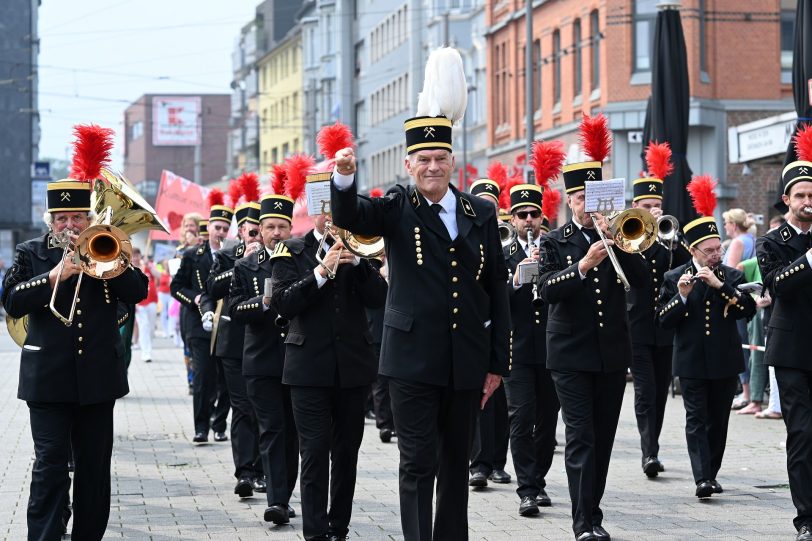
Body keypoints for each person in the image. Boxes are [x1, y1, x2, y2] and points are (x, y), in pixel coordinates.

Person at [330, 47, 510, 541]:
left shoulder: (479, 212)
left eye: (441, 158)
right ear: (409, 164)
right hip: (410, 361)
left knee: (456, 464)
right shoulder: (395, 207)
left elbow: (496, 285)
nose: (433, 167)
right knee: (417, 464)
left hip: (465, 361)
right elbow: (351, 217)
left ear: (454, 160)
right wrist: (344, 177)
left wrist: (497, 363)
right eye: (423, 160)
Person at [0, 125, 148, 540]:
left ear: (89, 217)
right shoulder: (31, 252)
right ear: (51, 220)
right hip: (46, 380)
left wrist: (114, 263)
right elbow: (11, 300)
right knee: (49, 463)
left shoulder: (107, 246)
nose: (69, 224)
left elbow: (137, 292)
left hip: (98, 379)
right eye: (62, 217)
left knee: (94, 468)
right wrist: (55, 274)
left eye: (77, 216)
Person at [538, 114, 648, 541]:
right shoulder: (555, 241)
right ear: (569, 200)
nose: (587, 204)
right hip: (568, 353)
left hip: (610, 353)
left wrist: (620, 243)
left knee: (601, 439)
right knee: (581, 437)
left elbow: (641, 282)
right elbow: (546, 290)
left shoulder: (619, 234)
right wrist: (582, 266)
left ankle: (592, 509)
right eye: (579, 197)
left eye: (593, 196)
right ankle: (584, 523)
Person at [657, 177, 755, 500]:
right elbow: (663, 319)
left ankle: (711, 472)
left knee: (719, 422)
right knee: (695, 419)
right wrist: (682, 296)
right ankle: (701, 478)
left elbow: (747, 309)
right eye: (710, 251)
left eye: (719, 249)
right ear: (693, 250)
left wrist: (720, 284)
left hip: (725, 361)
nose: (717, 254)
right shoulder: (675, 278)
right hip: (691, 361)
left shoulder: (732, 276)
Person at [231, 190, 300, 525]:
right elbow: (234, 309)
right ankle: (276, 500)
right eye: (270, 227)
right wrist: (263, 301)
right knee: (272, 430)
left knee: (293, 433)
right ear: (259, 229)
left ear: (291, 228)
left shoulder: (303, 259)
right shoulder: (245, 266)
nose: (276, 233)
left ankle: (284, 495)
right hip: (260, 362)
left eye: (282, 226)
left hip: (298, 361)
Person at [756, 157, 812, 541]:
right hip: (792, 348)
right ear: (787, 200)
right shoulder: (772, 241)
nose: (809, 200)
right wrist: (809, 258)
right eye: (802, 195)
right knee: (803, 432)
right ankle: (806, 517)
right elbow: (777, 285)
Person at [202, 178, 265, 498]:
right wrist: (244, 262)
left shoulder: (279, 255)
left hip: (267, 342)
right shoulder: (228, 257)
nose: (256, 235)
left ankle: (263, 469)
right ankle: (244, 472)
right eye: (251, 230)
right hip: (234, 342)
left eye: (261, 229)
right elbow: (212, 288)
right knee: (242, 407)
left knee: (264, 408)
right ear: (240, 231)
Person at [502, 181, 560, 517]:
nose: (528, 219)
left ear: (541, 217)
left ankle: (538, 480)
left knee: (548, 422)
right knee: (521, 418)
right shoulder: (504, 251)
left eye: (533, 214)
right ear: (512, 219)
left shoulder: (552, 246)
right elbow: (492, 298)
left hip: (552, 347)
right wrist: (516, 280)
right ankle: (527, 489)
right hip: (517, 348)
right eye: (521, 215)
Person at [627, 149, 678, 479]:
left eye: (655, 207)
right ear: (635, 208)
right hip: (636, 327)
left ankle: (653, 444)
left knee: (660, 391)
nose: (651, 212)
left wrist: (667, 237)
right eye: (646, 207)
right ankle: (649, 452)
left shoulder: (668, 242)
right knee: (645, 390)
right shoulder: (627, 238)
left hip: (666, 328)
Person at [171, 192, 233, 443]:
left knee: (226, 379)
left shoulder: (234, 256)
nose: (220, 232)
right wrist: (196, 298)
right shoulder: (192, 255)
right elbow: (176, 287)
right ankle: (201, 427)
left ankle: (219, 423)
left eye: (225, 228)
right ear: (209, 228)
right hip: (199, 324)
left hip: (227, 325)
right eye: (217, 227)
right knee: (203, 378)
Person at [468, 178, 511, 489]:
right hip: (477, 327)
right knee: (482, 400)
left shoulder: (509, 239)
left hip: (507, 329)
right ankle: (479, 463)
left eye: (493, 206)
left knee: (504, 404)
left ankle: (498, 461)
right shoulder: (469, 237)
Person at [721, 208, 757, 412]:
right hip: (751, 296)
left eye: (726, 223)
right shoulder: (751, 238)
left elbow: (731, 273)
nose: (725, 226)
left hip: (737, 299)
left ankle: (746, 393)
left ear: (733, 225)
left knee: (741, 345)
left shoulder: (737, 242)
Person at [132, 248, 159, 363]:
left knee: (151, 328)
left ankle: (148, 347)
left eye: (137, 255)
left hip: (152, 301)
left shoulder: (147, 266)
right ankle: (146, 352)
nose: (135, 258)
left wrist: (149, 265)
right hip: (140, 303)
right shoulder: (130, 270)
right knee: (144, 326)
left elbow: (159, 276)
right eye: (133, 256)